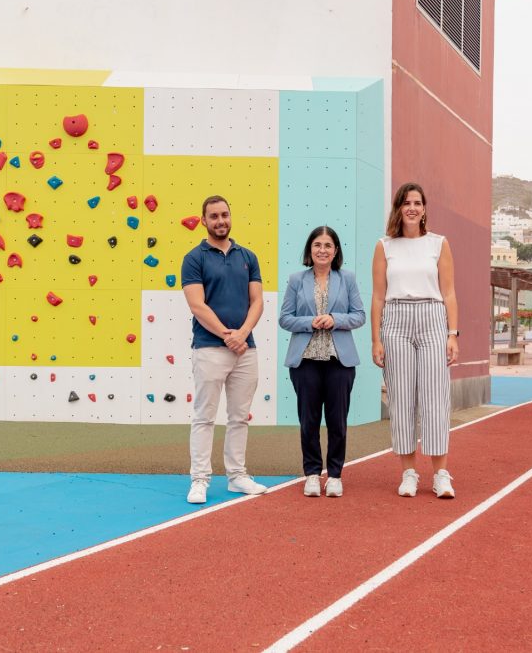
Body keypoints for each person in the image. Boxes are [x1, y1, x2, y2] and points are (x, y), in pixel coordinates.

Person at [371, 182, 459, 499]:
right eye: (406, 202)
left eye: (417, 203)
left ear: (424, 209)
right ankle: (409, 473)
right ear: (398, 208)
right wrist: (376, 340)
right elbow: (378, 297)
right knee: (401, 397)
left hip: (432, 317)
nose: (412, 208)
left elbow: (449, 292)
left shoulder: (438, 244)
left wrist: (452, 334)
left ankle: (440, 475)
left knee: (436, 397)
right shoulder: (384, 246)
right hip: (395, 319)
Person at [181, 195, 267, 504]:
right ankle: (200, 479)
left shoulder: (248, 256)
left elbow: (257, 300)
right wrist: (227, 335)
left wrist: (242, 334)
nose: (221, 221)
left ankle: (237, 476)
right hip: (209, 349)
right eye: (214, 216)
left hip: (246, 349)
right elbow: (196, 305)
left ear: (231, 217)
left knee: (239, 417)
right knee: (204, 416)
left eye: (225, 215)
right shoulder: (194, 258)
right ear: (203, 221)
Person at [279, 226, 365, 498]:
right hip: (305, 361)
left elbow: (359, 315)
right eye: (317, 245)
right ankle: (313, 474)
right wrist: (310, 322)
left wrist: (335, 319)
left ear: (336, 250)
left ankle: (336, 475)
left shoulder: (347, 279)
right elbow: (285, 318)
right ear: (310, 249)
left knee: (338, 421)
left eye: (328, 245)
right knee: (309, 420)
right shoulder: (296, 280)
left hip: (340, 360)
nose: (322, 250)